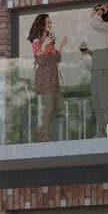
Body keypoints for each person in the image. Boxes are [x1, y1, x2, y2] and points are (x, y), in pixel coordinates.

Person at [83, 0, 108, 136]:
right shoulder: (100, 30)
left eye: (96, 11)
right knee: (96, 103)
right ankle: (101, 131)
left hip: (104, 69)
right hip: (96, 69)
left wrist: (101, 10)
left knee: (105, 102)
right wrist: (87, 51)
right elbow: (98, 55)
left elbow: (94, 23)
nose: (94, 14)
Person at [24, 11, 63, 142]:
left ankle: (41, 128)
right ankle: (45, 135)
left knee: (59, 107)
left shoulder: (50, 40)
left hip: (53, 76)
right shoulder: (37, 41)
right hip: (44, 76)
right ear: (41, 24)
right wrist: (45, 44)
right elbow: (40, 61)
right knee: (50, 106)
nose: (50, 24)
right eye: (48, 22)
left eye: (50, 22)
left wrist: (61, 46)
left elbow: (57, 59)